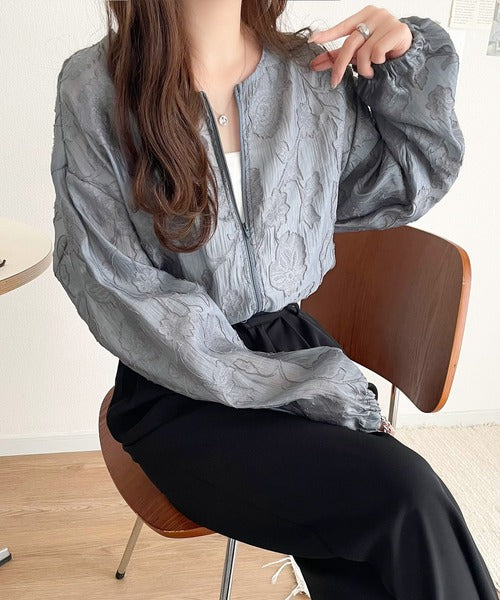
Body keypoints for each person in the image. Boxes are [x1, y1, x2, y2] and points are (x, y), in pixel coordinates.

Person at [50, 1, 499, 598]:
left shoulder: (305, 76)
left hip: (293, 351)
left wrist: (403, 64)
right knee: (403, 499)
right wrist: (279, 383)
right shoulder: (97, 88)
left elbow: (407, 180)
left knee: (381, 537)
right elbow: (112, 281)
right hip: (177, 383)